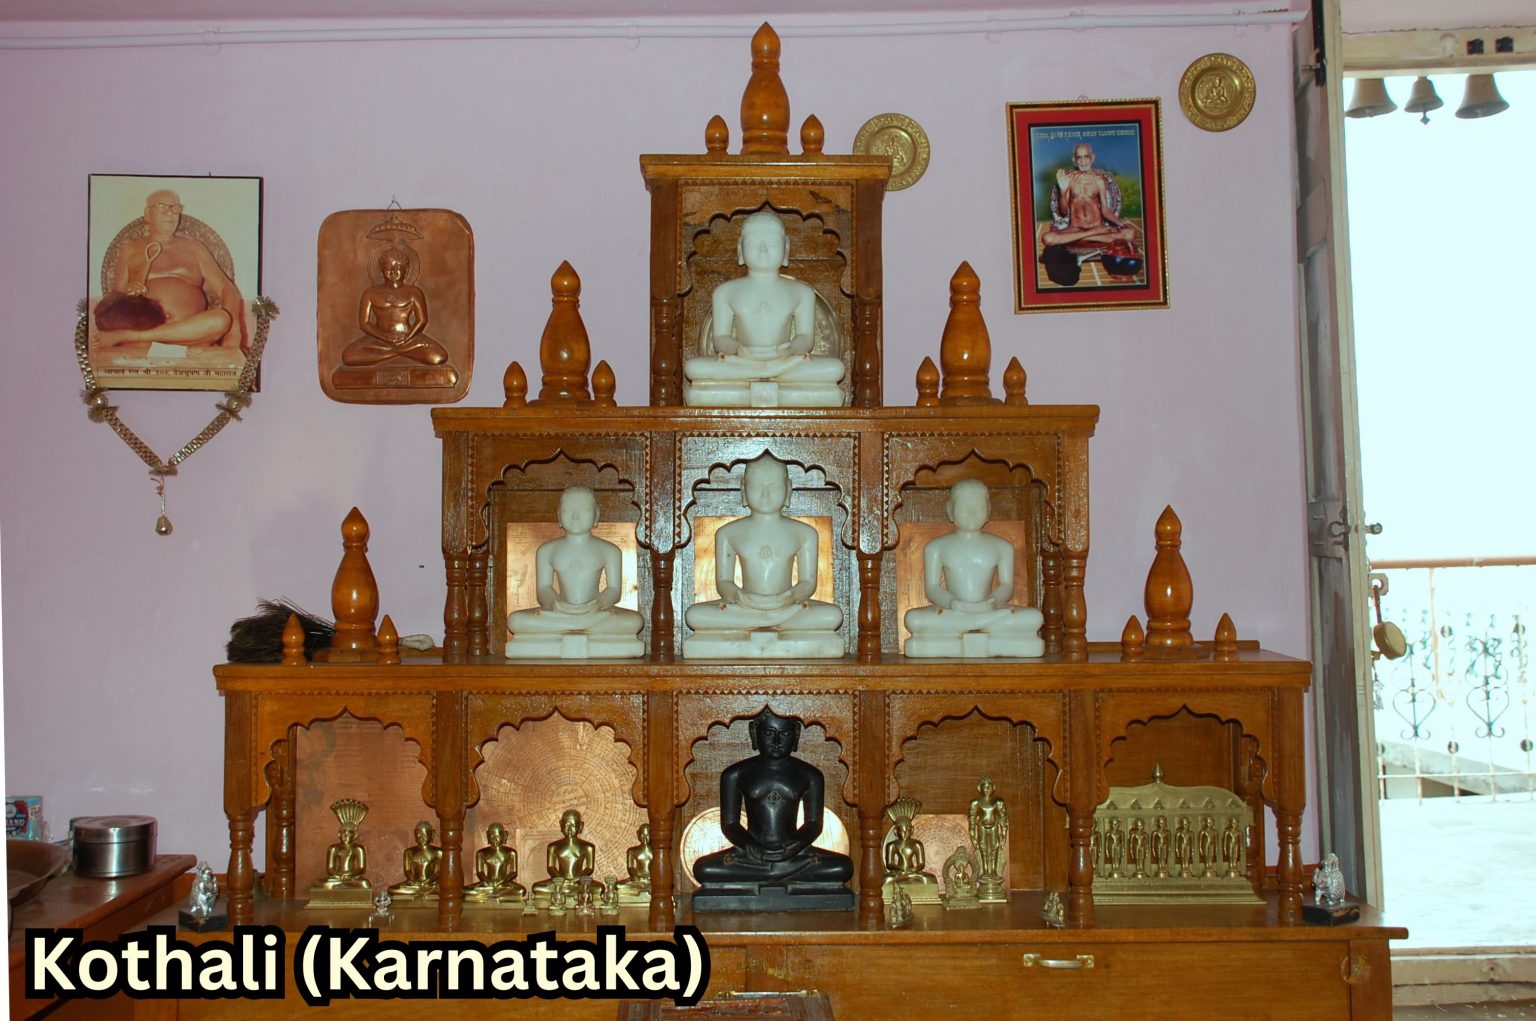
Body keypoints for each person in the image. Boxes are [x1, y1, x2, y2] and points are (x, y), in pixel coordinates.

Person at [692, 708, 854, 910]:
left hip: (794, 854)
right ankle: (777, 873)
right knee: (703, 868)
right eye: (768, 733)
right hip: (751, 856)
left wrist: (795, 845)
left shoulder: (810, 775)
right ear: (754, 733)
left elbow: (814, 824)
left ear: (796, 735)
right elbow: (730, 824)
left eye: (784, 733)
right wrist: (751, 847)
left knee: (843, 867)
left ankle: (772, 873)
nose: (776, 741)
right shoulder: (735, 774)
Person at [683, 453, 843, 658]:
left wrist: (791, 597)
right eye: (757, 486)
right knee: (694, 615)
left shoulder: (805, 533)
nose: (765, 494)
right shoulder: (727, 533)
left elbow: (807, 583)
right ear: (743, 488)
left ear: (788, 489)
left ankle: (762, 621)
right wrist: (739, 597)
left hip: (788, 606)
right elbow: (724, 582)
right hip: (745, 606)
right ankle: (767, 621)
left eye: (774, 487)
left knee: (832, 615)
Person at [683, 210, 845, 408]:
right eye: (754, 242)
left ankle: (746, 391)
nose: (763, 249)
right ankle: (780, 390)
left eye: (772, 242)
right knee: (694, 368)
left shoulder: (802, 292)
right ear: (740, 247)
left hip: (785, 362)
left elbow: (805, 338)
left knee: (835, 369)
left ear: (786, 247)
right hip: (743, 362)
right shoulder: (725, 292)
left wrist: (791, 350)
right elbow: (721, 340)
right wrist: (739, 350)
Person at [93, 189, 248, 356]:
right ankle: (158, 344)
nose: (170, 214)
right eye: (163, 207)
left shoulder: (195, 248)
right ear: (147, 214)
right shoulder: (131, 249)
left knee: (221, 319)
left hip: (189, 333)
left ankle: (136, 338)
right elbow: (115, 296)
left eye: (175, 208)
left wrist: (235, 327)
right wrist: (130, 290)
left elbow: (226, 288)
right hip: (144, 326)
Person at [903, 479, 1045, 658]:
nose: (972, 512)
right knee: (914, 619)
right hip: (953, 611)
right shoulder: (936, 547)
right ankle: (981, 627)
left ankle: (969, 627)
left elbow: (1007, 585)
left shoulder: (1002, 547)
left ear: (988, 510)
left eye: (978, 507)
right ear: (950, 510)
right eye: (964, 507)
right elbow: (932, 588)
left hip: (989, 609)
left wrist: (993, 601)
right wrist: (952, 603)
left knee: (1035, 617)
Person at [505, 486, 645, 658]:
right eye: (568, 510)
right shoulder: (547, 550)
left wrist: (598, 604)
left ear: (596, 514)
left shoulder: (609, 550)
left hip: (596, 613)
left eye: (584, 510)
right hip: (559, 614)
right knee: (515, 620)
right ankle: (578, 626)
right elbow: (543, 589)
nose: (575, 516)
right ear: (559, 515)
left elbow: (614, 590)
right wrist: (555, 604)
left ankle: (572, 627)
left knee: (634, 621)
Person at [1038, 144, 1142, 286]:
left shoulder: (1099, 180)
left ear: (1092, 158)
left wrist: (1118, 222)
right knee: (1047, 238)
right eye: (1079, 158)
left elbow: (1105, 210)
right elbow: (1063, 211)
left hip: (1097, 227)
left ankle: (1087, 235)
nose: (1083, 161)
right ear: (1074, 159)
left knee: (1130, 233)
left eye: (1086, 157)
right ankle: (1091, 234)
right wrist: (1063, 191)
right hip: (1075, 228)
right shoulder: (1068, 179)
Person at [340, 246, 450, 367]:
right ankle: (397, 353)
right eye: (388, 267)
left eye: (398, 267)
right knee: (348, 356)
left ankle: (393, 352)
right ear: (381, 271)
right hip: (378, 340)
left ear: (406, 270)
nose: (393, 271)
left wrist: (407, 337)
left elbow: (422, 320)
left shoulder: (414, 293)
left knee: (439, 356)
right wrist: (384, 337)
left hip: (409, 339)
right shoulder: (370, 293)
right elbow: (364, 323)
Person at [532, 809, 596, 903]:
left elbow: (589, 868)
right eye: (566, 825)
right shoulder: (553, 846)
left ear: (581, 826)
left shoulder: (588, 847)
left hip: (578, 882)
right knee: (536, 887)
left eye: (573, 825)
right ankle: (572, 893)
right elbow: (551, 867)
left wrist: (577, 879)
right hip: (559, 882)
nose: (569, 829)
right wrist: (560, 880)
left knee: (599, 888)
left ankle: (570, 893)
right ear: (561, 825)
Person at [968, 777, 1008, 901]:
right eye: (984, 787)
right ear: (980, 788)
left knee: (994, 848)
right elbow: (972, 819)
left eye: (989, 786)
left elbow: (1002, 818)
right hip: (982, 827)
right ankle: (985, 871)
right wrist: (973, 834)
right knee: (984, 849)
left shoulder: (998, 802)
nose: (987, 789)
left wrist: (1004, 834)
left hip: (994, 827)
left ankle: (994, 872)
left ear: (993, 788)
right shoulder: (975, 802)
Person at [464, 822, 524, 902]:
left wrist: (502, 882)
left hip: (504, 884)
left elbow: (513, 872)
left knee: (521, 891)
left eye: (497, 837)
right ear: (488, 836)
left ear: (505, 836)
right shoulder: (481, 853)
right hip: (487, 884)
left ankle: (493, 894)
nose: (495, 840)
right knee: (465, 891)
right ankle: (495, 894)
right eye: (492, 837)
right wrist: (488, 882)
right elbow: (480, 872)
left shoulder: (511, 852)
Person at [389, 820, 443, 898]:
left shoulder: (438, 852)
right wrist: (413, 880)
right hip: (414, 885)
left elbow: (440, 872)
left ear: (432, 834)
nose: (421, 838)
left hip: (431, 884)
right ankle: (420, 891)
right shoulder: (409, 852)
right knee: (392, 889)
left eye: (424, 835)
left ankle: (422, 891)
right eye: (418, 835)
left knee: (444, 889)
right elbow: (407, 870)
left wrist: (428, 881)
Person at [321, 823, 370, 889]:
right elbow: (330, 868)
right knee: (321, 883)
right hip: (337, 877)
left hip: (352, 877)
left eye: (349, 833)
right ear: (339, 834)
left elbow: (361, 868)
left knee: (365, 883)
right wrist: (338, 875)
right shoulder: (333, 848)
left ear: (355, 835)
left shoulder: (358, 848)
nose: (346, 836)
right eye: (343, 833)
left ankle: (343, 884)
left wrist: (349, 875)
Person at [616, 823, 654, 903]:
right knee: (617, 886)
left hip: (651, 880)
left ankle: (646, 890)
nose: (645, 837)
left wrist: (652, 877)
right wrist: (635, 876)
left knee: (661, 886)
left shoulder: (656, 851)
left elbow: (659, 868)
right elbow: (630, 867)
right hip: (636, 880)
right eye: (642, 835)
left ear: (652, 835)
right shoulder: (632, 851)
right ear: (638, 834)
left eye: (647, 835)